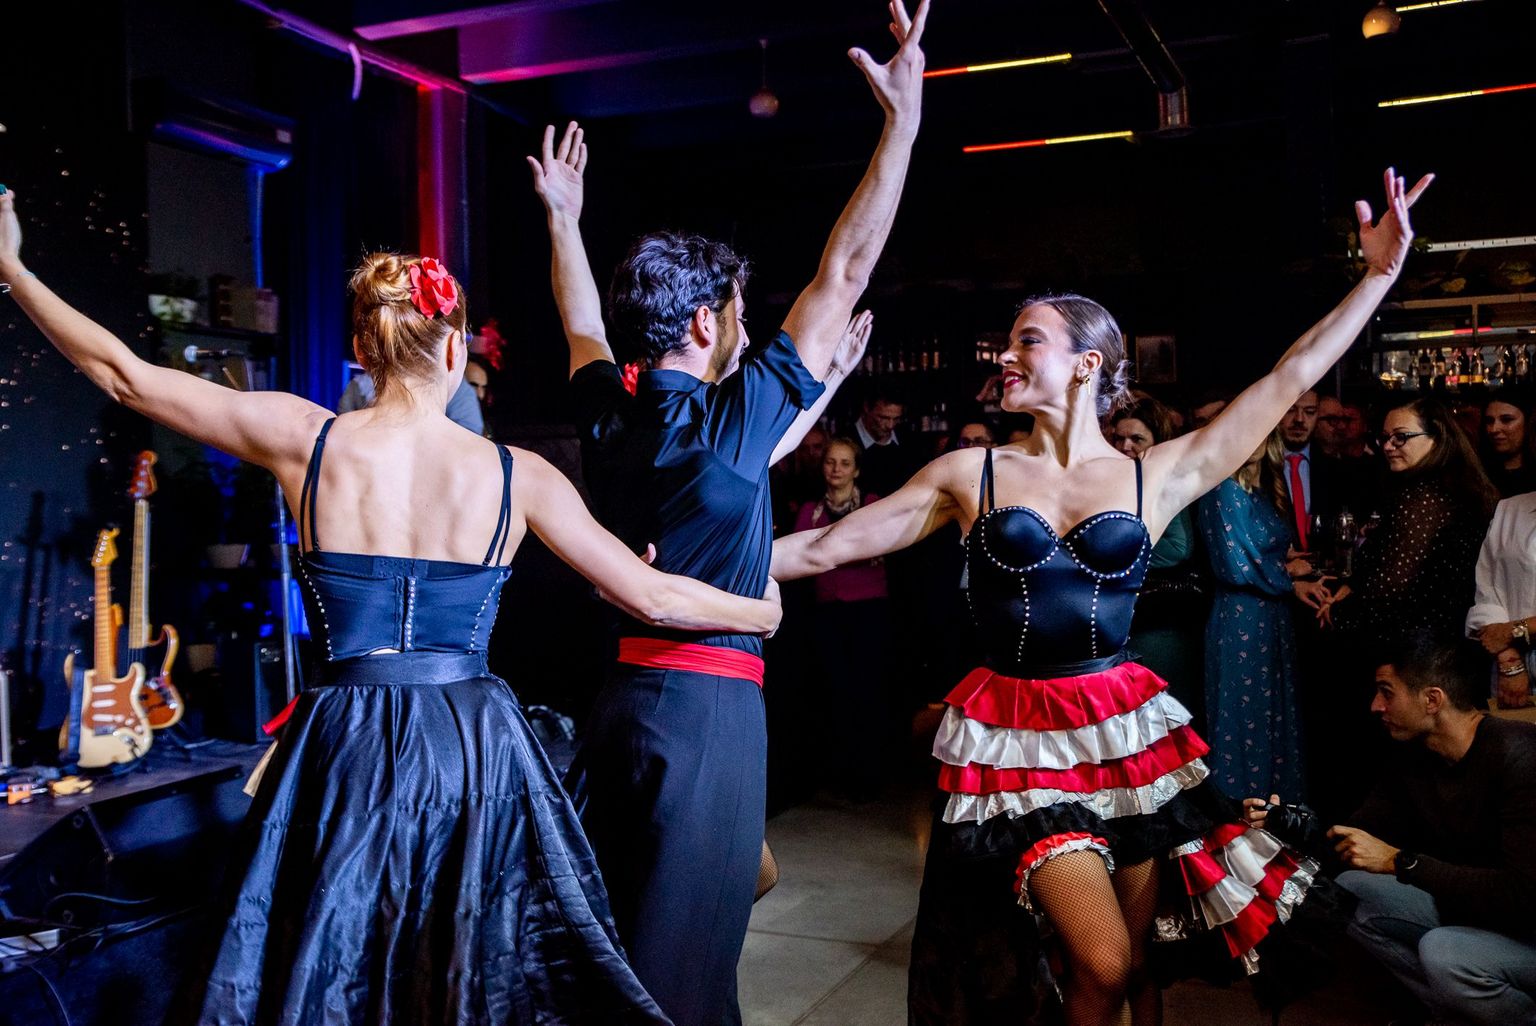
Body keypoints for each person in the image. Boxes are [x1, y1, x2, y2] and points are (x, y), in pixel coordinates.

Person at [0, 185, 786, 1022]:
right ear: (453, 352)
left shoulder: (305, 439)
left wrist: (13, 268)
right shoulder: (517, 475)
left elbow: (123, 376)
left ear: (361, 351)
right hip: (471, 749)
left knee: (343, 958)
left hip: (343, 743)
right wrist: (759, 613)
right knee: (471, 966)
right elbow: (652, 597)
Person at [772, 167, 1431, 1025]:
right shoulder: (970, 473)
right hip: (1018, 734)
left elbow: (1286, 378)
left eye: (1027, 341)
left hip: (1122, 730)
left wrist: (1376, 278)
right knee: (1104, 959)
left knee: (1135, 971)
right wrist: (686, 572)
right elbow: (825, 545)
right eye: (1006, 343)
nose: (1004, 356)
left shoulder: (1154, 474)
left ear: (1086, 363)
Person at [525, 6, 926, 1021]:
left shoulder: (612, 411)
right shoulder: (728, 421)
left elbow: (580, 320)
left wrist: (564, 220)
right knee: (684, 973)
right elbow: (846, 269)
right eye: (742, 312)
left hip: (623, 704)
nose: (750, 328)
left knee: (645, 931)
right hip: (709, 711)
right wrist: (902, 127)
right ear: (706, 322)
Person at [1247, 637, 1536, 1026]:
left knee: (1443, 952)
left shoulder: (1520, 757)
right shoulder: (1416, 756)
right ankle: (1453, 1014)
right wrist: (1291, 824)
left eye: (1387, 692)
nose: (1375, 705)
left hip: (1527, 928)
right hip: (1480, 914)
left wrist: (1402, 862)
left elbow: (1522, 897)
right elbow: (1356, 833)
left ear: (1432, 700)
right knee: (1350, 891)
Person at [1318, 397, 1498, 649]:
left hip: (1419, 646)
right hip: (1434, 639)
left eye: (1401, 437)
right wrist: (1350, 589)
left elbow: (1391, 590)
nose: (1388, 446)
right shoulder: (1445, 487)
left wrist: (1337, 612)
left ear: (1436, 438)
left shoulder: (1426, 498)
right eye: (1385, 438)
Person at [1197, 428, 1313, 801]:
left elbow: (1263, 548)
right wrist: (1289, 576)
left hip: (1272, 616)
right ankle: (1242, 820)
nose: (1251, 437)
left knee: (1274, 718)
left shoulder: (1260, 488)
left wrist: (1290, 565)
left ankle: (1279, 816)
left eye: (1260, 428)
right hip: (1241, 616)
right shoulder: (1223, 488)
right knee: (1243, 723)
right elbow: (1235, 566)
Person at [794, 438, 894, 798]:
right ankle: (837, 771)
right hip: (827, 611)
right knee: (833, 691)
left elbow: (877, 546)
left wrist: (828, 555)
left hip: (868, 610)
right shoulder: (811, 510)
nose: (836, 469)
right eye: (830, 462)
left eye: (845, 463)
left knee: (867, 691)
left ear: (857, 470)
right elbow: (800, 554)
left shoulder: (872, 505)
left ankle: (869, 773)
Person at [1113, 396, 1207, 725]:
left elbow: (1178, 547)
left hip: (1161, 621)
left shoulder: (1164, 479)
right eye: (1118, 438)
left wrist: (1114, 557)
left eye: (1136, 439)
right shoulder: (1124, 479)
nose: (1125, 446)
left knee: (1161, 721)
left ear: (1158, 442)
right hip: (1133, 619)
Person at [1465, 489, 1536, 708]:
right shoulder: (1510, 509)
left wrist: (1515, 630)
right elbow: (1487, 590)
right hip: (1512, 666)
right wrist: (1509, 659)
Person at [1480, 388, 1536, 497]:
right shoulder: (1476, 475)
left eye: (1506, 420)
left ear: (1528, 422)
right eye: (1489, 421)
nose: (1494, 429)